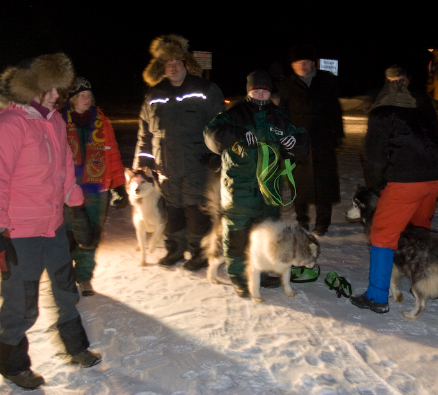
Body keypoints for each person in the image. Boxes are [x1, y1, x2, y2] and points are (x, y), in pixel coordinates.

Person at [0, 53, 101, 390]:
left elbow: (64, 172)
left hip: (54, 227)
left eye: (58, 89)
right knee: (22, 301)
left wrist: (77, 211)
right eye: (48, 89)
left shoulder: (56, 122)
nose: (55, 95)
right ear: (30, 87)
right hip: (19, 233)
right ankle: (12, 363)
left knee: (65, 289)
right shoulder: (8, 125)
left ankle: (76, 346)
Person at [204, 70, 310, 297]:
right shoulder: (234, 114)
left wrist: (296, 143)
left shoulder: (280, 116)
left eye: (265, 89)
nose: (261, 93)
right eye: (256, 89)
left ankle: (260, 273)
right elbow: (211, 134)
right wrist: (237, 134)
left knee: (267, 236)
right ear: (249, 91)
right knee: (237, 235)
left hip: (269, 189)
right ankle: (240, 277)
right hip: (239, 187)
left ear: (271, 92)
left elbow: (301, 141)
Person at [351, 65, 438, 313]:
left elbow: (373, 157)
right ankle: (429, 285)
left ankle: (377, 296)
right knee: (419, 232)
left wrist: (378, 187)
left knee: (382, 235)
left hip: (406, 181)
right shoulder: (423, 106)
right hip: (434, 178)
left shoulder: (382, 112)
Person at [134, 34, 226, 270]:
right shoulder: (154, 94)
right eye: (168, 63)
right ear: (161, 67)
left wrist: (217, 153)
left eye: (177, 62)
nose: (173, 67)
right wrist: (141, 165)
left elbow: (220, 124)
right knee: (172, 208)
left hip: (197, 163)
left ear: (186, 63)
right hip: (165, 165)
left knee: (196, 209)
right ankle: (175, 249)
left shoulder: (205, 89)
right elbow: (145, 132)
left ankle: (200, 252)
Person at [60, 77, 128, 297]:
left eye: (88, 95)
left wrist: (119, 185)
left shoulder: (102, 121)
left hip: (96, 187)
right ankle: (66, 279)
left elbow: (113, 153)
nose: (86, 99)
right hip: (67, 188)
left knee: (90, 235)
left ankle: (85, 277)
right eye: (81, 95)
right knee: (67, 235)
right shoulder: (58, 121)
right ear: (71, 99)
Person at [279, 45, 344, 236]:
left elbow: (335, 110)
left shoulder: (326, 80)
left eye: (306, 62)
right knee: (299, 182)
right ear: (292, 65)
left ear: (313, 62)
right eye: (299, 62)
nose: (303, 65)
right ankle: (302, 220)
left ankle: (323, 222)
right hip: (297, 142)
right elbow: (282, 112)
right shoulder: (287, 84)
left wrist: (337, 134)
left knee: (324, 182)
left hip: (322, 139)